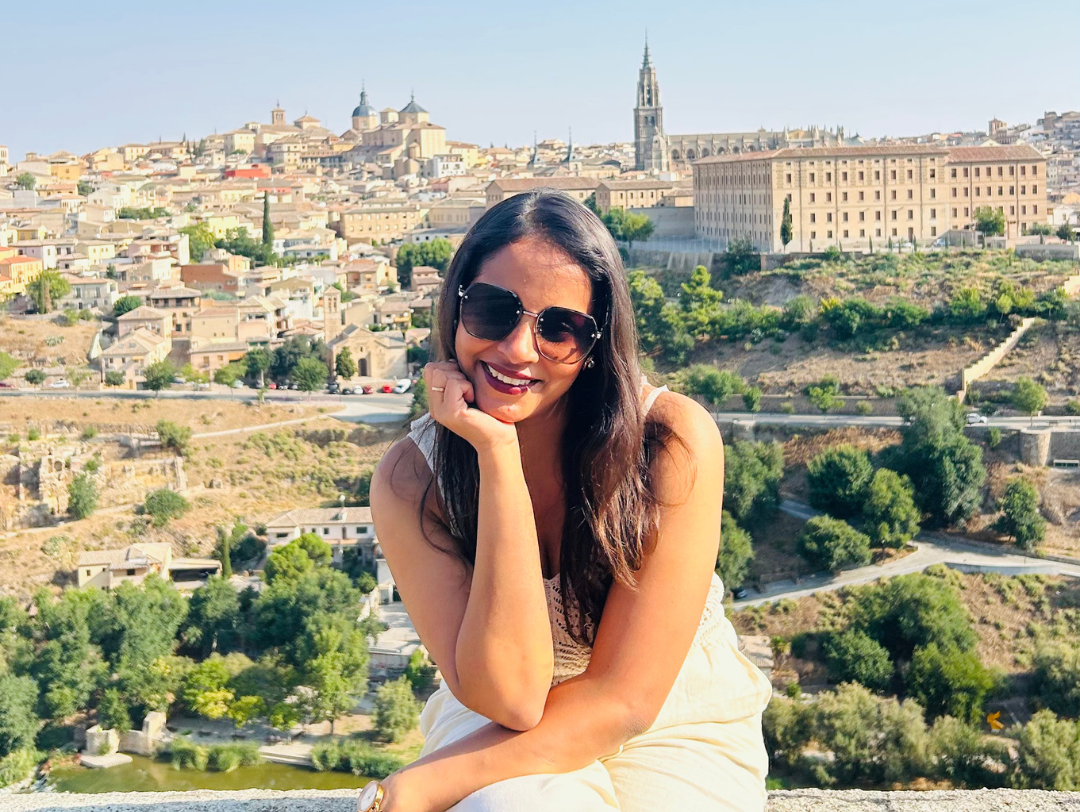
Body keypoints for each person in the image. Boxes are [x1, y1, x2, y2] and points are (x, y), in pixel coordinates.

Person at [368, 190, 771, 812]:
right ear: (456, 310)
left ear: (594, 345)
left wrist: (419, 785)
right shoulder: (413, 480)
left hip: (674, 717)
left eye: (559, 327)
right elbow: (515, 698)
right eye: (495, 311)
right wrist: (497, 457)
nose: (519, 349)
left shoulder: (668, 442)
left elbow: (624, 701)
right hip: (498, 724)